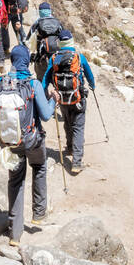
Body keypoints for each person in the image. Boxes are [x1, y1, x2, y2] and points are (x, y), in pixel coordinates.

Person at [0, 45, 53, 244]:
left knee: (15, 181)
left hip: (9, 142)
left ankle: (15, 234)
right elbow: (46, 115)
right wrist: (53, 100)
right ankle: (38, 213)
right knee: (39, 166)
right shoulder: (32, 84)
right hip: (31, 139)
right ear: (27, 61)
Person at [42, 29, 97, 175]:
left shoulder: (54, 58)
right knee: (78, 127)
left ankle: (70, 147)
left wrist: (44, 94)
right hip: (77, 98)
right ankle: (76, 162)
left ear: (60, 43)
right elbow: (89, 75)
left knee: (67, 122)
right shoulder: (78, 57)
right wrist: (92, 85)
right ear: (71, 41)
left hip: (62, 98)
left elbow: (46, 78)